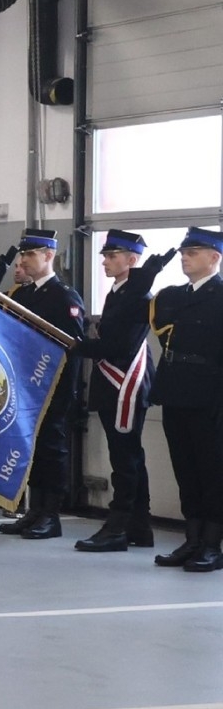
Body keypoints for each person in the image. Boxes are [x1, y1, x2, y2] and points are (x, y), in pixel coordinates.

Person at [72, 231, 161, 553]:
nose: (105, 262)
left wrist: (80, 346)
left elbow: (121, 346)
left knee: (125, 459)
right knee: (128, 455)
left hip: (126, 384)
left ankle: (119, 526)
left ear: (132, 260)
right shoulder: (118, 293)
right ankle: (139, 526)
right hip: (113, 383)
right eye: (105, 256)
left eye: (112, 256)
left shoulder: (138, 297)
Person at [0, 228, 87, 540]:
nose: (23, 260)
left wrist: (63, 390)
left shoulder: (64, 296)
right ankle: (34, 510)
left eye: (31, 254)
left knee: (51, 448)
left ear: (49, 256)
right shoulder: (22, 295)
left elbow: (73, 348)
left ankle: (51, 514)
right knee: (31, 448)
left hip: (52, 387)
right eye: (22, 254)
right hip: (24, 387)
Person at [144, 228, 223, 571]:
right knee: (185, 468)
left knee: (213, 471)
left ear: (214, 258)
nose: (184, 258)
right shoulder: (173, 296)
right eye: (183, 253)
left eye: (193, 253)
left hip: (211, 393)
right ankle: (191, 539)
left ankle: (212, 543)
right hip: (175, 388)